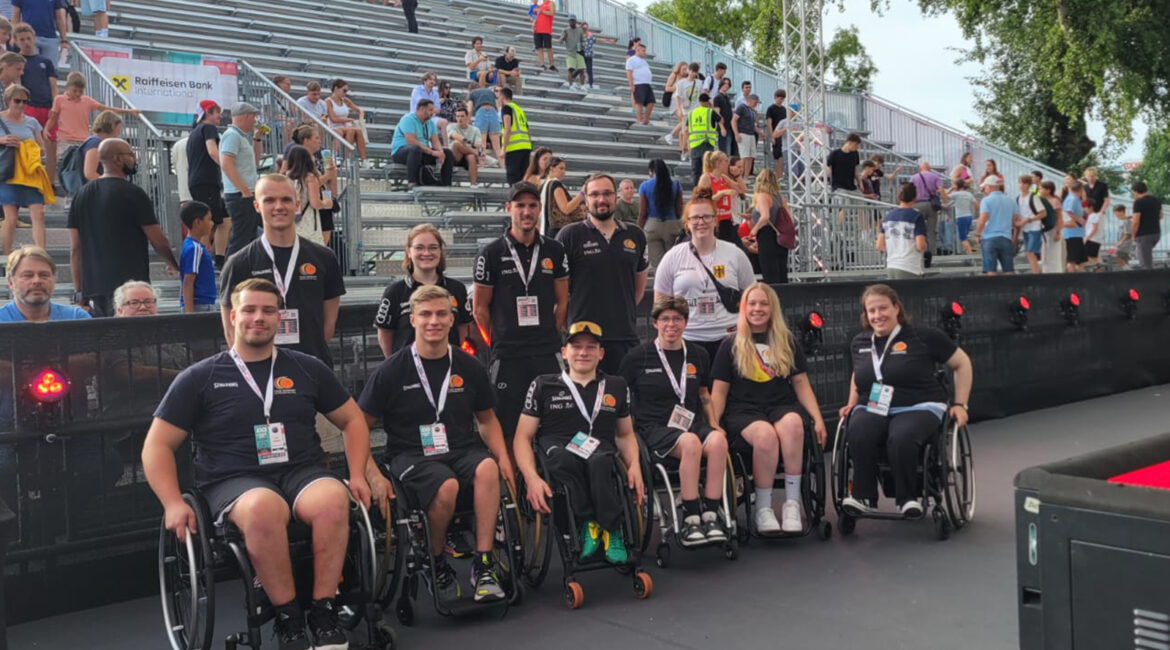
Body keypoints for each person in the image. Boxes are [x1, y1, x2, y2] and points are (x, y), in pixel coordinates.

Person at [143, 278, 373, 650]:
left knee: (334, 498)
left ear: (280, 319)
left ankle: (323, 610)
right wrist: (171, 502)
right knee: (264, 507)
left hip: (300, 471)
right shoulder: (200, 377)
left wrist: (359, 473)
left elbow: (354, 421)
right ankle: (288, 618)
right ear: (233, 316)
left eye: (268, 310)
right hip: (232, 479)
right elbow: (156, 446)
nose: (258, 317)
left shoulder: (307, 368)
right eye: (249, 310)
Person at [358, 284, 514, 603]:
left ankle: (483, 563)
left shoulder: (469, 366)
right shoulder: (391, 370)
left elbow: (486, 420)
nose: (434, 321)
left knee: (488, 469)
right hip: (410, 454)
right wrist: (371, 474)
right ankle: (435, 557)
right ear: (412, 319)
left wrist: (504, 458)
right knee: (447, 486)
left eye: (442, 314)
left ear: (451, 318)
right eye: (426, 314)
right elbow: (358, 426)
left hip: (460, 448)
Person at [513, 320, 645, 565]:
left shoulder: (616, 385)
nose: (583, 352)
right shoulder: (543, 384)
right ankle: (588, 523)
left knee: (599, 461)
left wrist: (635, 465)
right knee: (562, 458)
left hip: (599, 448)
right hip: (557, 447)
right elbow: (522, 437)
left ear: (601, 353)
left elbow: (625, 435)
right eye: (576, 347)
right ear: (564, 352)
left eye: (591, 347)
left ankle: (612, 529)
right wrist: (531, 478)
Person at [837, 283, 973, 518]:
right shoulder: (859, 342)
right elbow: (858, 375)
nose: (878, 315)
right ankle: (863, 496)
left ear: (896, 308)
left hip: (920, 405)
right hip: (876, 406)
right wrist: (851, 403)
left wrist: (961, 404)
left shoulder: (924, 337)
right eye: (872, 311)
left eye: (883, 308)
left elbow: (962, 364)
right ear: (866, 315)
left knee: (902, 434)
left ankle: (908, 498)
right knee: (858, 428)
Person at [708, 283, 826, 534]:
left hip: (781, 405)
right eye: (752, 304)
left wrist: (817, 418)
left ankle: (792, 504)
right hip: (744, 411)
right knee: (766, 436)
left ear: (772, 308)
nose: (757, 309)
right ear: (743, 308)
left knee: (795, 425)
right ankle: (763, 508)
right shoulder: (730, 343)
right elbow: (719, 391)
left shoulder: (787, 341)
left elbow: (801, 383)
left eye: (763, 304)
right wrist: (714, 425)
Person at [620, 295, 728, 544]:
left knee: (719, 442)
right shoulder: (638, 357)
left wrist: (714, 424)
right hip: (654, 429)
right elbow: (621, 394)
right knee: (690, 443)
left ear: (685, 322)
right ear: (655, 323)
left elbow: (704, 394)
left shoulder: (698, 354)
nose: (671, 324)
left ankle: (711, 513)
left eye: (677, 319)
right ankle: (691, 518)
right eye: (665, 319)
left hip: (691, 424)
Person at [472, 181, 569, 445]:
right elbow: (479, 309)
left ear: (539, 209)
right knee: (508, 428)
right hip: (508, 356)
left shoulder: (555, 250)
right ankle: (517, 484)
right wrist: (497, 340)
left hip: (546, 352)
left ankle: (550, 481)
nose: (526, 212)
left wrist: (551, 330)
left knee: (555, 422)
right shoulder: (490, 253)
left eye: (532, 205)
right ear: (508, 208)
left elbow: (562, 301)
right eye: (520, 205)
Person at [67, 138, 178, 316]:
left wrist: (79, 291)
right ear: (118, 159)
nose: (135, 159)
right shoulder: (133, 193)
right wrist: (174, 264)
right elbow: (158, 240)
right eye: (131, 155)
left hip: (95, 290)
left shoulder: (80, 195)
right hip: (130, 291)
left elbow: (75, 248)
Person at [557, 174, 648, 374]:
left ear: (615, 197)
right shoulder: (569, 235)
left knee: (624, 400)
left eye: (607, 193)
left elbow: (638, 288)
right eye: (595, 194)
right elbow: (558, 291)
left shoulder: (635, 235)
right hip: (584, 341)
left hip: (624, 336)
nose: (601, 200)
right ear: (586, 199)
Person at [654, 193, 755, 362]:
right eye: (695, 217)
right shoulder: (672, 257)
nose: (701, 222)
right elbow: (660, 303)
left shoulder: (735, 253)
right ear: (687, 223)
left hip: (729, 338)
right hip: (688, 339)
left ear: (715, 220)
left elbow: (751, 294)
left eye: (707, 216)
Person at [374, 223, 471, 358]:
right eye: (419, 248)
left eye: (433, 248)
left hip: (448, 366)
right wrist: (395, 365)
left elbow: (462, 327)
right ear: (408, 251)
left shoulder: (457, 289)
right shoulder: (394, 292)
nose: (426, 253)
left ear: (440, 251)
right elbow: (385, 334)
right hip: (407, 370)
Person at [0, 83, 49, 255]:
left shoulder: (32, 122)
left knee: (39, 213)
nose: (21, 105)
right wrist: (3, 140)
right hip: (8, 172)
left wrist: (30, 148)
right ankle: (6, 256)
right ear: (8, 100)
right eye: (17, 101)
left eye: (24, 101)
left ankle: (41, 255)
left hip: (29, 172)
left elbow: (42, 147)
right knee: (11, 217)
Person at [45, 71, 138, 161]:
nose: (77, 94)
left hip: (83, 140)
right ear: (68, 87)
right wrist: (46, 129)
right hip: (65, 140)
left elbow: (106, 108)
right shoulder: (59, 99)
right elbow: (53, 117)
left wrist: (128, 111)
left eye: (80, 92)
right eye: (75, 91)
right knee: (64, 166)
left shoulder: (87, 101)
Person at [185, 100, 230, 267]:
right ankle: (203, 260)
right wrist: (228, 167)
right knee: (207, 221)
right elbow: (212, 151)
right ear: (208, 113)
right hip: (206, 181)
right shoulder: (208, 128)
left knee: (223, 220)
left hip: (201, 181)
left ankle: (218, 259)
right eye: (217, 112)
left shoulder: (195, 132)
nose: (220, 116)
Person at [12, 23, 57, 185]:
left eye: (29, 38)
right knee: (29, 147)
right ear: (15, 41)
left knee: (51, 147)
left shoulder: (45, 61)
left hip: (47, 108)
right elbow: (17, 85)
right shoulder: (16, 61)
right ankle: (29, 181)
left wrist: (55, 106)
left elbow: (53, 85)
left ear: (34, 39)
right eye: (22, 39)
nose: (26, 42)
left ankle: (49, 184)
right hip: (29, 107)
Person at [0, 245, 89, 321]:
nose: (37, 281)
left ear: (54, 280)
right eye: (28, 275)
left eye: (44, 275)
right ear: (11, 282)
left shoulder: (77, 318)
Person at [221, 102, 264, 256]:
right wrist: (244, 190)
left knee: (248, 237)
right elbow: (226, 163)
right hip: (240, 195)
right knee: (241, 239)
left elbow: (255, 162)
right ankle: (232, 274)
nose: (254, 120)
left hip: (244, 193)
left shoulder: (239, 136)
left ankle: (244, 272)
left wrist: (257, 139)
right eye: (253, 117)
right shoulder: (232, 135)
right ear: (246, 116)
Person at [390, 99, 453, 188]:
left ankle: (446, 184)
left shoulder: (430, 123)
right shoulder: (408, 119)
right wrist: (432, 152)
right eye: (430, 110)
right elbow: (411, 141)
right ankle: (412, 182)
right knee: (415, 149)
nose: (433, 112)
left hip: (422, 152)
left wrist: (440, 152)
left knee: (448, 153)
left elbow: (435, 141)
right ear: (422, 109)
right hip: (402, 152)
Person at [749, 169, 795, 284]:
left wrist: (754, 230)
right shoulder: (780, 197)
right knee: (781, 273)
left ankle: (773, 299)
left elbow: (765, 217)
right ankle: (783, 299)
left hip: (767, 236)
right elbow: (791, 219)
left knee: (770, 274)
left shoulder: (762, 196)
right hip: (780, 236)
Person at [284, 145, 334, 246]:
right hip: (308, 220)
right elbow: (315, 203)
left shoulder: (287, 177)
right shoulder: (310, 177)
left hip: (291, 220)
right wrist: (326, 203)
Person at [638, 158, 684, 268]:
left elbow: (642, 213)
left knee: (658, 265)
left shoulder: (644, 186)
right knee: (674, 263)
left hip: (652, 225)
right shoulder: (676, 185)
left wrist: (639, 228)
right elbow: (679, 210)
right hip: (672, 224)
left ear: (651, 171)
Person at [876, 183, 928, 279]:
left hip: (891, 265)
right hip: (910, 267)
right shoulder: (916, 216)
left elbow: (879, 245)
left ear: (898, 197)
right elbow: (920, 246)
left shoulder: (887, 217)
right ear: (915, 197)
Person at [972, 175, 1019, 276]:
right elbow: (1015, 220)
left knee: (991, 270)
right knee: (1009, 269)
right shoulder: (1011, 201)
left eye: (984, 188)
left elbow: (982, 219)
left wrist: (977, 234)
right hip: (1006, 237)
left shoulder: (986, 201)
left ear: (989, 186)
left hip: (989, 237)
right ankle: (1012, 290)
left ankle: (992, 291)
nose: (984, 190)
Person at [179, 200, 217, 313]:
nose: (212, 223)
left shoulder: (190, 245)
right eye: (209, 219)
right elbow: (188, 281)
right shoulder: (195, 248)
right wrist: (190, 314)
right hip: (200, 305)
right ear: (198, 222)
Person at [694, 150, 738, 244]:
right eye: (726, 161)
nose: (728, 164)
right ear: (718, 163)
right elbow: (702, 200)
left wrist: (737, 175)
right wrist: (721, 193)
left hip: (726, 218)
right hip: (713, 219)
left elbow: (741, 189)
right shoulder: (706, 178)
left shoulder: (724, 178)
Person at [909, 161, 948, 264]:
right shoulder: (935, 177)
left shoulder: (913, 178)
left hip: (917, 205)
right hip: (931, 206)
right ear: (929, 168)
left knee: (917, 230)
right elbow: (941, 190)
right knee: (931, 231)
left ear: (920, 168)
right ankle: (931, 254)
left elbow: (909, 191)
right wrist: (946, 202)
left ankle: (919, 252)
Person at [538, 156, 583, 237]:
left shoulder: (543, 185)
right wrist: (582, 193)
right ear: (551, 168)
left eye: (564, 169)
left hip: (545, 229)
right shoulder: (555, 184)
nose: (564, 172)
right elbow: (566, 209)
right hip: (557, 231)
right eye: (561, 168)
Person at [324, 79, 366, 164]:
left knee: (354, 130)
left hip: (344, 127)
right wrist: (349, 119)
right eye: (344, 90)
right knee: (353, 130)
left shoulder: (345, 100)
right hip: (333, 127)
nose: (345, 93)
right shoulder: (328, 101)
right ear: (336, 89)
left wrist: (361, 119)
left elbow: (360, 110)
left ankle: (363, 159)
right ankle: (346, 158)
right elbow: (333, 119)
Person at [499, 87, 530, 185]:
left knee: (514, 180)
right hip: (525, 146)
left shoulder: (506, 108)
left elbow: (508, 128)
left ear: (502, 96)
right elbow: (527, 130)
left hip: (514, 148)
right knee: (524, 179)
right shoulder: (520, 110)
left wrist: (503, 149)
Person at [447, 106, 483, 187]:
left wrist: (478, 149)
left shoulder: (475, 130)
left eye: (462, 116)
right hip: (455, 157)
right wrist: (470, 144)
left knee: (471, 157)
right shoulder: (451, 126)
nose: (460, 118)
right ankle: (477, 154)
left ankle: (473, 184)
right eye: (458, 116)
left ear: (467, 117)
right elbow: (455, 136)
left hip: (467, 157)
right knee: (456, 143)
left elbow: (480, 145)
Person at [686, 92, 718, 185]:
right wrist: (711, 108)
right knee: (707, 169)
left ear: (699, 101)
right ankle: (706, 189)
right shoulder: (710, 112)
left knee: (696, 170)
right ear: (708, 102)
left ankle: (696, 190)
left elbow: (686, 130)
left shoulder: (691, 113)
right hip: (707, 143)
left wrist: (686, 144)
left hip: (694, 144)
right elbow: (721, 120)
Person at [1015, 175, 1044, 274]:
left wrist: (1029, 219)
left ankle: (1035, 274)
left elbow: (1043, 213)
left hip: (1034, 228)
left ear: (1029, 185)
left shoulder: (1033, 197)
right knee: (1030, 254)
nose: (1022, 185)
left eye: (1024, 183)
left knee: (1030, 252)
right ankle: (1035, 272)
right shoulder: (1018, 198)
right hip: (1025, 228)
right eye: (1020, 183)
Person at [82, 109, 120, 183]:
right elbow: (90, 173)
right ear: (112, 126)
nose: (119, 130)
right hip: (93, 189)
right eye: (118, 127)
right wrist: (109, 184)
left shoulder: (99, 142)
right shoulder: (95, 143)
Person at [1130, 180, 1161, 270]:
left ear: (1135, 191)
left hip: (1144, 235)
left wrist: (1133, 235)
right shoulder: (1156, 200)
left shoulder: (1138, 202)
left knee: (1145, 263)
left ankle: (1151, 282)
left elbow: (1135, 221)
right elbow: (1160, 215)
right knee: (1148, 258)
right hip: (1156, 233)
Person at [1037, 180, 1065, 274]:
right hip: (1044, 230)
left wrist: (1058, 232)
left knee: (1054, 253)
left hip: (1053, 229)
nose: (1039, 190)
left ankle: (1055, 272)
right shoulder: (1040, 200)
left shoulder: (1054, 201)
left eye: (1041, 188)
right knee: (1045, 252)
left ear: (1048, 190)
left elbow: (1059, 218)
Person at [578, 22, 616, 91]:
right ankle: (580, 83)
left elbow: (599, 39)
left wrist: (608, 40)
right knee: (580, 70)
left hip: (589, 56)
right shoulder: (579, 37)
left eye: (586, 28)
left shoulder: (590, 37)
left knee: (589, 70)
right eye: (584, 28)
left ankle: (590, 84)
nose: (585, 29)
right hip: (581, 55)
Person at [625, 42, 654, 126]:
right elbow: (629, 72)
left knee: (651, 102)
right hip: (638, 83)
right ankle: (639, 119)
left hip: (647, 83)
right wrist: (631, 85)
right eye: (643, 50)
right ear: (637, 50)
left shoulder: (644, 61)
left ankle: (646, 119)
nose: (644, 52)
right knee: (639, 103)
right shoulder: (631, 60)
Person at [469, 84, 500, 161]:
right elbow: (498, 108)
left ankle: (482, 165)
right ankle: (503, 167)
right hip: (493, 112)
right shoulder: (490, 92)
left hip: (481, 111)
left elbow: (469, 109)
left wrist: (469, 122)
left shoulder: (472, 94)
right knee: (497, 146)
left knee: (481, 144)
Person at [1061, 180, 1088, 272]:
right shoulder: (1072, 199)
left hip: (1078, 233)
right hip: (1072, 233)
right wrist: (1078, 219)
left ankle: (1079, 277)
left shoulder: (1076, 199)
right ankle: (1072, 278)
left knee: (1081, 260)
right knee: (1072, 259)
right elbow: (1068, 211)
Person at [731, 94, 759, 178]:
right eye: (756, 102)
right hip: (743, 133)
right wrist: (736, 133)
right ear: (751, 101)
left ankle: (746, 176)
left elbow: (753, 126)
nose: (756, 104)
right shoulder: (741, 108)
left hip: (751, 134)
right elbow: (734, 120)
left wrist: (760, 133)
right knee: (744, 156)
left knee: (751, 156)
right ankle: (740, 176)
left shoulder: (752, 111)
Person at [949, 178, 977, 255]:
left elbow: (945, 197)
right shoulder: (969, 194)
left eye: (954, 185)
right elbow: (976, 204)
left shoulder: (956, 194)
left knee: (962, 237)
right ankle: (968, 251)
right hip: (969, 216)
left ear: (957, 185)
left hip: (961, 217)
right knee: (965, 235)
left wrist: (950, 189)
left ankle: (970, 253)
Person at [765, 89, 788, 175]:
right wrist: (771, 136)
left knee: (782, 156)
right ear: (775, 97)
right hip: (775, 134)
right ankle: (777, 175)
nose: (781, 100)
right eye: (779, 98)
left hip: (783, 135)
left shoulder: (784, 109)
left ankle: (780, 175)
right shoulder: (771, 109)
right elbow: (769, 123)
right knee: (777, 157)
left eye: (782, 99)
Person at [560, 14, 585, 89]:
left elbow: (582, 40)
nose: (572, 22)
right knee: (570, 69)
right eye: (570, 20)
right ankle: (571, 85)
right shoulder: (565, 30)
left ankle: (582, 85)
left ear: (575, 21)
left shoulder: (580, 30)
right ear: (569, 21)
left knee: (582, 69)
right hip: (570, 52)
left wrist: (581, 47)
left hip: (579, 52)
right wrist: (564, 38)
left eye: (573, 20)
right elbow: (559, 41)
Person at [712, 78, 736, 156]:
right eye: (725, 83)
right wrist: (721, 127)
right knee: (725, 152)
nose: (726, 85)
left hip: (730, 127)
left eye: (728, 84)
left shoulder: (726, 97)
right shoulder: (717, 97)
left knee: (730, 152)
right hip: (724, 127)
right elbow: (717, 114)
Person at [532, 0, 555, 71]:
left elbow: (552, 13)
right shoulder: (540, 5)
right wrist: (533, 24)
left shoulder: (550, 3)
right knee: (539, 47)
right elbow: (535, 16)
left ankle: (551, 64)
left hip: (546, 29)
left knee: (548, 47)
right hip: (537, 29)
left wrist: (541, 11)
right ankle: (542, 64)